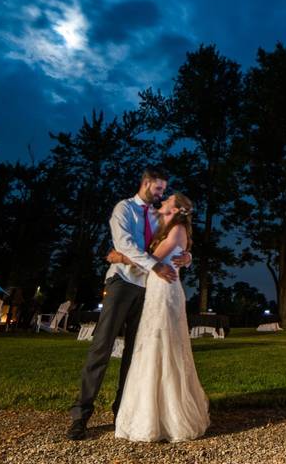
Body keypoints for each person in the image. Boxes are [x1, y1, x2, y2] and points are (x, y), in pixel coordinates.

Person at [67, 169, 192, 441]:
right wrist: (154, 264)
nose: (161, 195)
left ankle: (123, 412)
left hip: (148, 291)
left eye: (164, 191)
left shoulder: (156, 215)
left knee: (135, 355)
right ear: (146, 183)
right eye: (159, 189)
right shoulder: (124, 209)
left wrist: (187, 255)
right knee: (101, 347)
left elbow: (174, 235)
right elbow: (125, 244)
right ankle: (81, 414)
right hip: (122, 284)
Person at [113, 193, 210, 442]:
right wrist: (188, 258)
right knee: (151, 345)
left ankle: (168, 416)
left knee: (163, 344)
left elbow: (151, 259)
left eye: (169, 198)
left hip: (166, 291)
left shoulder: (177, 229)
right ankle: (150, 411)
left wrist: (119, 256)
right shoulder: (166, 227)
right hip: (156, 290)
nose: (164, 198)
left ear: (176, 208)